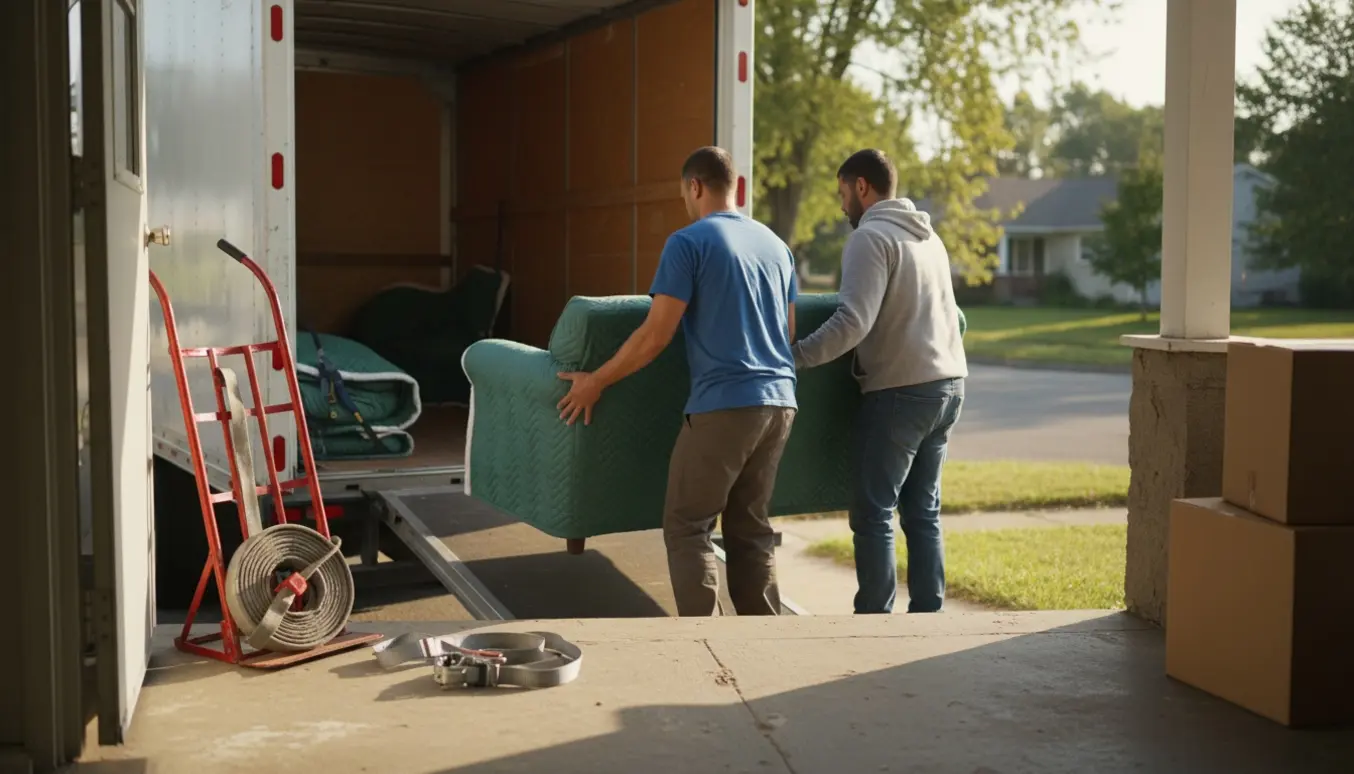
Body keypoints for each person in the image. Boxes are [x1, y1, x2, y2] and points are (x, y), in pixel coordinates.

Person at [555, 146, 799, 617]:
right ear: (736, 187)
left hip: (727, 403)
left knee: (688, 525)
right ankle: (769, 641)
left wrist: (596, 382)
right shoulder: (776, 246)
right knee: (751, 531)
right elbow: (787, 332)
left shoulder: (688, 242)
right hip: (781, 404)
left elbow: (654, 335)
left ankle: (704, 639)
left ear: (695, 187)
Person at [791, 149, 967, 615]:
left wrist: (795, 357)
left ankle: (874, 619)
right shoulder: (929, 238)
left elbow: (852, 321)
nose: (841, 204)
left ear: (862, 187)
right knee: (923, 511)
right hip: (949, 384)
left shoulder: (870, 238)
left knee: (873, 512)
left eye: (842, 192)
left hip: (901, 391)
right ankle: (928, 614)